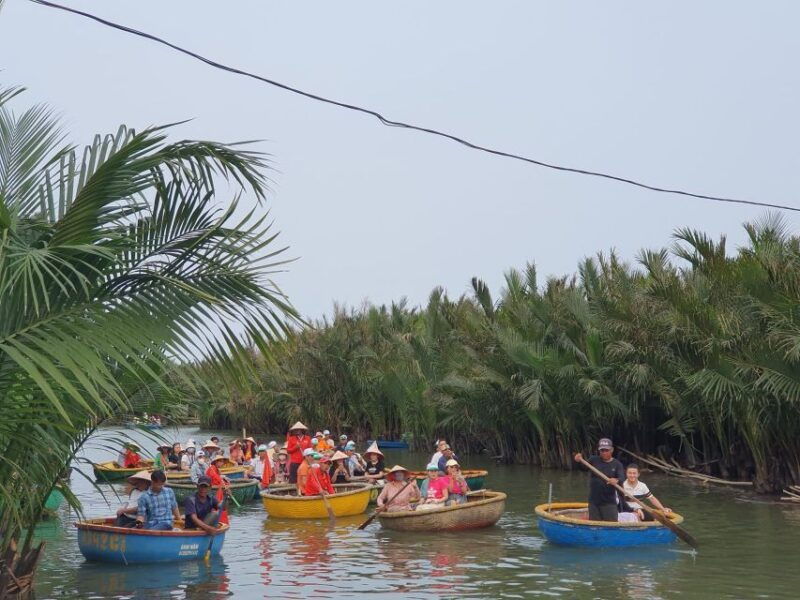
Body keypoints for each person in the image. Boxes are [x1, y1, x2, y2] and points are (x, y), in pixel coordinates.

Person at [574, 438, 626, 522]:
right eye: (602, 450)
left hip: (609, 502)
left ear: (612, 450)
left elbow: (622, 478)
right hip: (594, 501)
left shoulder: (617, 464)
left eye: (606, 450)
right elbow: (582, 468)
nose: (604, 452)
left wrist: (616, 480)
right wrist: (578, 460)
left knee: (611, 524)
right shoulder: (593, 460)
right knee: (594, 525)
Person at [206, 454, 231, 525]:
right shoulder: (212, 468)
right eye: (221, 461)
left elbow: (218, 477)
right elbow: (215, 478)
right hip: (211, 489)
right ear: (216, 462)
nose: (222, 463)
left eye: (222, 461)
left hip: (215, 488)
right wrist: (222, 480)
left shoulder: (216, 469)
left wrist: (223, 479)